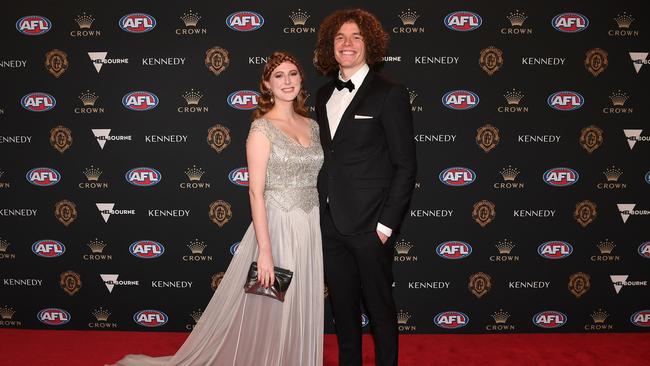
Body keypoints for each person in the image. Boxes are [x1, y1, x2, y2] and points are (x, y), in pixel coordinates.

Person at [108, 51, 324, 366]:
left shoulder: (313, 126)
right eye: (279, 75)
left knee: (302, 301)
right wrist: (265, 251)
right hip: (277, 226)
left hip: (310, 224)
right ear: (266, 83)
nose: (287, 81)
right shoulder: (262, 128)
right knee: (274, 307)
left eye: (292, 74)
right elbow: (255, 191)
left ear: (301, 79)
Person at [314, 9, 417, 366]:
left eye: (356, 36)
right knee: (342, 312)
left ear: (369, 44)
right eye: (340, 37)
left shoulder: (390, 94)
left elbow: (405, 165)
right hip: (330, 225)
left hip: (372, 226)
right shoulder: (323, 94)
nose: (347, 43)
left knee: (380, 312)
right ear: (331, 45)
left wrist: (386, 226)